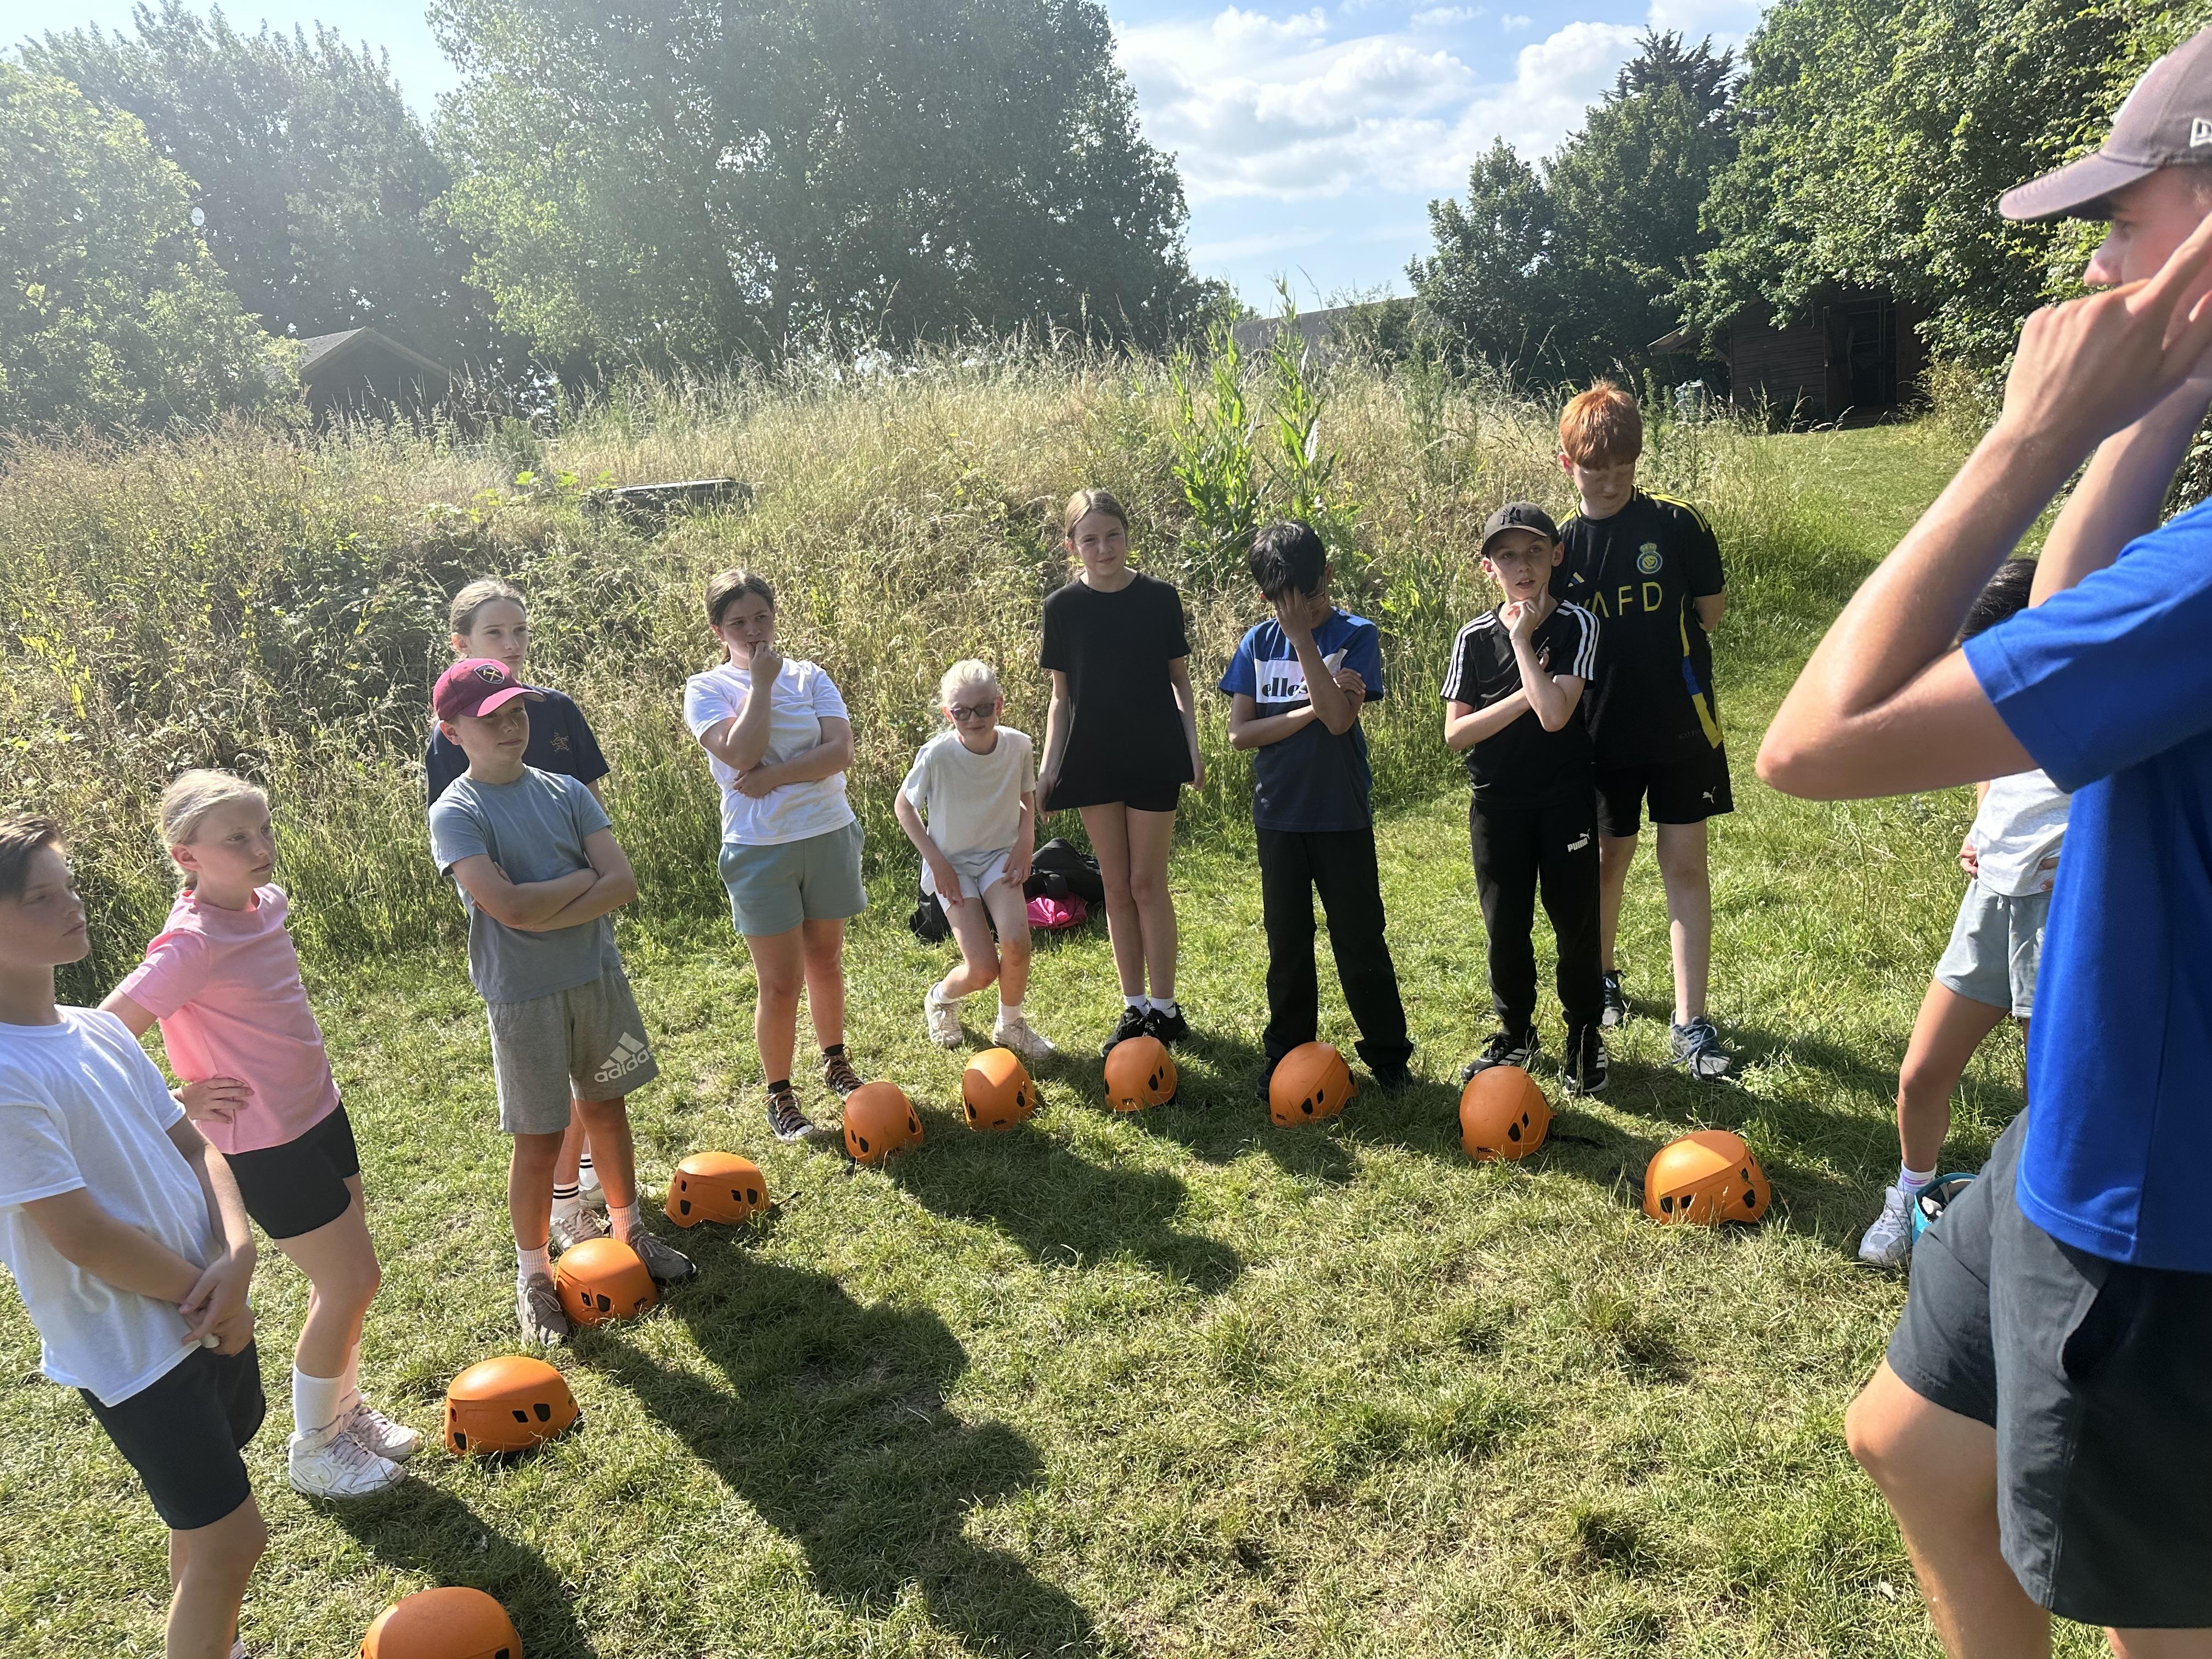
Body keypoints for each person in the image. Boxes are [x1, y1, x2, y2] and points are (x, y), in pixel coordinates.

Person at [1759, 27, 2212, 1650]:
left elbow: (1815, 741)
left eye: (2129, 215)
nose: (2096, 261)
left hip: (2162, 1213)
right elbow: (2082, 607)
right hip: (2088, 1129)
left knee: (2161, 1624)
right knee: (1913, 1444)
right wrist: (2170, 392)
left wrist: (2023, 441)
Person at [101, 771, 413, 1499]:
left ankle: (344, 1411)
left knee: (351, 1282)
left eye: (263, 829)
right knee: (349, 1280)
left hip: (320, 1111)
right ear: (186, 857)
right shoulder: (191, 944)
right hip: (264, 1142)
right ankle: (315, 1448)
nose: (260, 847)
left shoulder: (264, 904)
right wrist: (175, 1099)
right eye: (237, 838)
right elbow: (104, 1038)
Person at [0, 814, 266, 1659]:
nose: (73, 905)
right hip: (137, 1347)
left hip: (205, 1308)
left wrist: (238, 1254)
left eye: (69, 886)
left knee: (202, 1527)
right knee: (234, 1541)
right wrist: (212, 1299)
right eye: (42, 898)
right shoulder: (5, 1073)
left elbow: (193, 1147)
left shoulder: (100, 1028)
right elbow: (80, 1234)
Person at [426, 657, 693, 1346]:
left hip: (594, 976)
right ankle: (535, 1277)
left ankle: (632, 1233)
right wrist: (578, 882)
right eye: (490, 718)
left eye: (517, 711)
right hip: (524, 997)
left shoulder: (567, 791)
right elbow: (507, 907)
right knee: (540, 1139)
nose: (510, 726)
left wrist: (540, 903)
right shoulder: (456, 811)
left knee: (607, 1109)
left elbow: (622, 883)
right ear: (452, 731)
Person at [1858, 562, 2068, 1268]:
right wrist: (1982, 826)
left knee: (2047, 1097)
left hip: (2058, 911)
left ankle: (2041, 1236)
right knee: (1920, 1074)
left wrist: (2089, 854)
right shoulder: (1999, 698)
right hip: (1989, 901)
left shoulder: (2098, 699)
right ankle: (1910, 1195)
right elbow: (1989, 763)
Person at [1552, 384, 1734, 1078]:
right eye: (1595, 469)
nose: (1611, 481)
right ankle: (1602, 978)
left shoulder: (1678, 524)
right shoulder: (1558, 547)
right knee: (1608, 858)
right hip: (1598, 736)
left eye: (1623, 468)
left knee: (1685, 865)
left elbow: (1709, 611)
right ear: (1566, 464)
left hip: (1682, 726)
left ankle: (1691, 1022)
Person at [427, 577, 612, 1252]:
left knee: (597, 1074)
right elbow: (483, 875)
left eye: (520, 631)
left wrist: (588, 883)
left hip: (582, 919)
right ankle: (562, 1203)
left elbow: (594, 824)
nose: (511, 645)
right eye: (494, 634)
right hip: (517, 944)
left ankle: (584, 1173)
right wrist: (569, 887)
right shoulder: (450, 734)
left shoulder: (554, 709)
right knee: (544, 1090)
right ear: (461, 644)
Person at [1221, 519, 1412, 1101]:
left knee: (1359, 938)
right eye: (1286, 601)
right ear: (1267, 598)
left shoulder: (1356, 635)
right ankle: (1286, 1053)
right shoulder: (1257, 643)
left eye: (1310, 593)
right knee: (1288, 941)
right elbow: (1240, 734)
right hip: (1278, 816)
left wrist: (1304, 640)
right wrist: (1309, 704)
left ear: (1327, 575)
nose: (1301, 609)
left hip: (1339, 814)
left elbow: (1338, 721)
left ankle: (1388, 1057)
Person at [684, 569, 867, 1143]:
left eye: (761, 617)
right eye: (738, 622)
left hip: (827, 831)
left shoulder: (811, 676)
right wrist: (760, 686)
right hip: (758, 848)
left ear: (774, 615)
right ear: (718, 630)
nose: (753, 630)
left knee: (826, 960)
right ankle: (780, 1095)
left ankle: (836, 1062)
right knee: (780, 983)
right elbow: (741, 753)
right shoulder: (706, 688)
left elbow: (840, 752)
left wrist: (775, 777)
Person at [1442, 504, 1607, 1095]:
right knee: (1505, 927)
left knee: (1575, 924)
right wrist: (1520, 680)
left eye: (1536, 551)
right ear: (1489, 567)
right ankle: (1516, 1034)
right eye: (1507, 555)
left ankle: (1585, 1035)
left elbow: (1557, 714)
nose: (1523, 566)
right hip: (1496, 805)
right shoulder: (1472, 637)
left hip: (1564, 802)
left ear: (1556, 556)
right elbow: (1456, 733)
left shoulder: (1577, 625)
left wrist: (1521, 639)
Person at [1037, 488, 1205, 1056]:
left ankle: (1166, 1009)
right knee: (1114, 885)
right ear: (1071, 546)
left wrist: (1193, 749)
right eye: (1090, 539)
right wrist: (1049, 769)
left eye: (1113, 535)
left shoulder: (1159, 598)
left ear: (1128, 535)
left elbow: (1180, 683)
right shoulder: (1062, 607)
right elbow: (1061, 699)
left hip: (1155, 754)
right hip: (1094, 758)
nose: (1104, 548)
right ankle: (1134, 1006)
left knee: (1146, 882)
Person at [895, 659, 1056, 1060]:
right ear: (948, 713)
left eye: (983, 708)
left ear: (999, 705)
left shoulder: (1018, 745)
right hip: (951, 866)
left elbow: (1026, 796)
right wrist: (937, 863)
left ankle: (1011, 1025)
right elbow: (904, 807)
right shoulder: (937, 755)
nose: (974, 719)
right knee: (982, 970)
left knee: (1017, 943)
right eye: (962, 712)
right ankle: (941, 998)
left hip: (999, 857)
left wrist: (1026, 842)